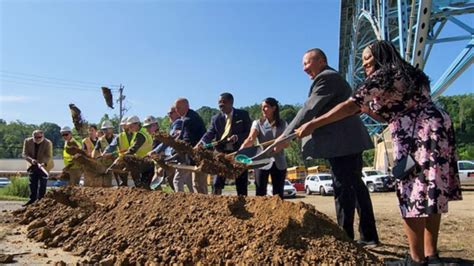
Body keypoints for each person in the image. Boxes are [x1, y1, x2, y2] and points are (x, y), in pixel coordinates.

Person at [294, 41, 463, 264]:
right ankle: (431, 255)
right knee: (431, 192)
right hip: (437, 129)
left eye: (367, 58)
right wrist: (368, 110)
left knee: (411, 193)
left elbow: (351, 105)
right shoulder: (411, 76)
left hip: (417, 135)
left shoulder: (384, 74)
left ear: (382, 55)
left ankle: (415, 259)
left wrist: (314, 123)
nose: (364, 64)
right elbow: (387, 115)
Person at [274, 48, 379, 245]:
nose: (304, 69)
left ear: (321, 60)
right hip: (348, 142)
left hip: (343, 144)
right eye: (303, 64)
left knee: (343, 188)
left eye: (307, 63)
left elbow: (308, 109)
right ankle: (369, 236)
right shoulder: (330, 77)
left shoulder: (326, 78)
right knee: (356, 187)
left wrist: (284, 137)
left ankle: (344, 237)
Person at [199, 92, 251, 196]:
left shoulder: (243, 115)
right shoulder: (216, 118)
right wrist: (201, 143)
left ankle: (242, 205)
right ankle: (216, 204)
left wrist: (237, 137)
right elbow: (209, 133)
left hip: (239, 153)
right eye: (219, 102)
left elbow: (249, 133)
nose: (220, 105)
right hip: (222, 155)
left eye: (224, 102)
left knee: (241, 182)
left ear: (231, 102)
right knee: (217, 182)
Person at [241, 97, 288, 198]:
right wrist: (241, 150)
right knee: (260, 192)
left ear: (274, 108)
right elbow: (250, 139)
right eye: (262, 107)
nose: (263, 109)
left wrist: (280, 145)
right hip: (261, 162)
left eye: (266, 107)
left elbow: (287, 142)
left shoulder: (284, 123)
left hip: (279, 162)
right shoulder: (257, 123)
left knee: (278, 193)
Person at [174, 98, 206, 193]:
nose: (177, 110)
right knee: (195, 183)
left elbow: (187, 140)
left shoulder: (189, 119)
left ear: (186, 107)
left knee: (198, 183)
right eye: (176, 108)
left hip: (199, 155)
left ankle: (204, 203)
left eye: (179, 108)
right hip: (196, 154)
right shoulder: (189, 116)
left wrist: (175, 150)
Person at [149, 106, 183, 191]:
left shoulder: (177, 123)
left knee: (177, 181)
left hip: (175, 157)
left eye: (171, 113)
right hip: (170, 158)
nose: (169, 115)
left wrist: (156, 152)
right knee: (173, 180)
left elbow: (170, 141)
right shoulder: (172, 126)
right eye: (168, 114)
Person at [22, 130, 54, 206]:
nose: (38, 139)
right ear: (33, 136)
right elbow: (24, 154)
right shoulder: (27, 141)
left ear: (43, 136)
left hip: (44, 166)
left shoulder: (48, 143)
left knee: (43, 184)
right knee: (32, 183)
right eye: (36, 137)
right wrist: (31, 160)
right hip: (32, 165)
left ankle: (41, 200)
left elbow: (48, 155)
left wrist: (43, 163)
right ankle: (32, 200)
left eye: (40, 137)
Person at [125, 115, 154, 188]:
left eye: (131, 126)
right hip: (147, 162)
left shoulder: (140, 135)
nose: (129, 128)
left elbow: (133, 148)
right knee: (145, 187)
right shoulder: (143, 132)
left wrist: (124, 156)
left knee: (142, 187)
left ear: (137, 124)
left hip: (143, 163)